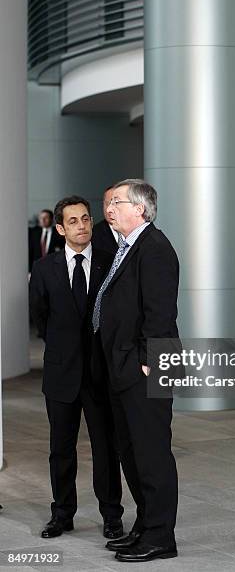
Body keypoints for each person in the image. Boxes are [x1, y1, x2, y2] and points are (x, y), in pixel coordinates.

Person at [92, 179, 180, 562]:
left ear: (139, 209)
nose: (109, 208)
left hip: (147, 366)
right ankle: (146, 526)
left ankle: (161, 537)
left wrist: (148, 361)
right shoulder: (127, 247)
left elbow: (160, 312)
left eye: (117, 202)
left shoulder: (155, 248)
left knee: (152, 453)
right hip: (126, 365)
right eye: (108, 202)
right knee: (132, 451)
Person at [29, 196, 124, 540]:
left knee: (105, 449)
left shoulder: (109, 262)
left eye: (85, 218)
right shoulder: (44, 269)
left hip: (100, 375)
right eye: (73, 221)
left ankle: (112, 515)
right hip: (60, 374)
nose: (82, 225)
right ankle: (62, 514)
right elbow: (40, 318)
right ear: (59, 229)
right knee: (61, 450)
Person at [91, 186, 118, 256]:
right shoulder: (92, 235)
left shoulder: (138, 231)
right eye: (107, 204)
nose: (109, 209)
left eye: (115, 204)